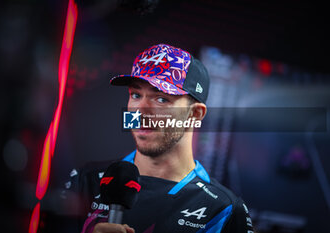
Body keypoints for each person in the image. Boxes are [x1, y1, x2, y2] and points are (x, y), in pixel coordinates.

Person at [52, 44, 254, 233]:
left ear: (195, 114)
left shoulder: (223, 209)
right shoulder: (83, 180)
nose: (141, 110)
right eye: (136, 95)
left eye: (161, 99)